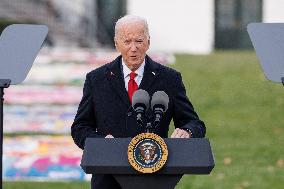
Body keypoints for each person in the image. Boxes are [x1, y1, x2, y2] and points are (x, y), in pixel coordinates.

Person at [71, 15, 206, 189]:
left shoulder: (169, 79)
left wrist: (187, 131)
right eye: (127, 41)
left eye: (139, 41)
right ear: (116, 43)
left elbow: (194, 123)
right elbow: (80, 127)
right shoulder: (96, 79)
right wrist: (101, 142)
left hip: (154, 177)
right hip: (108, 179)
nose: (133, 48)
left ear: (148, 42)